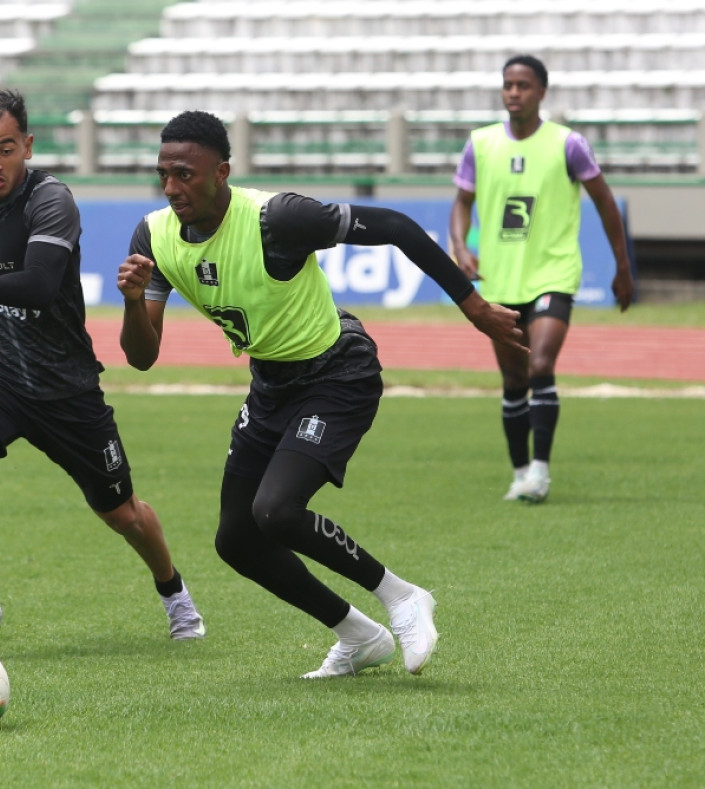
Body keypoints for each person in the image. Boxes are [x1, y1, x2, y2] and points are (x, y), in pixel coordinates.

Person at [117, 110, 525, 678]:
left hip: (338, 375)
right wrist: (135, 301)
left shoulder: (276, 219)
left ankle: (403, 597)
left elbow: (398, 226)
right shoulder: (154, 235)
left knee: (277, 511)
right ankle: (358, 635)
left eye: (186, 174)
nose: (172, 187)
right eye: (164, 174)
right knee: (236, 540)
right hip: (270, 387)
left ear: (223, 172)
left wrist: (473, 306)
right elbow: (141, 356)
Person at [0, 88, 204, 640]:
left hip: (65, 387)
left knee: (123, 513)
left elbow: (39, 285)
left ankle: (174, 592)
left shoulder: (51, 201)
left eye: (7, 149)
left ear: (29, 145)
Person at [449, 55, 635, 503]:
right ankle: (519, 473)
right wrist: (460, 247)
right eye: (508, 84)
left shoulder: (568, 145)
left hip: (553, 274)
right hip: (499, 281)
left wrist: (622, 267)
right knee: (513, 382)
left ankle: (540, 472)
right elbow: (461, 204)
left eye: (524, 85)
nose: (514, 92)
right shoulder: (481, 144)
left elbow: (606, 203)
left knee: (541, 366)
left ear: (542, 92)